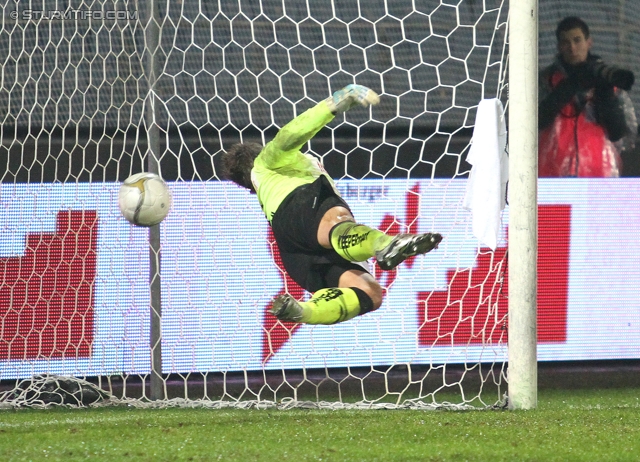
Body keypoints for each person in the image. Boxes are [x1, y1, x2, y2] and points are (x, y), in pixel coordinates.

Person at [220, 85, 442, 325]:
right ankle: (385, 244)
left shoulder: (264, 191)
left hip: (294, 252)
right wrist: (334, 103)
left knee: (369, 292)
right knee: (336, 222)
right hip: (301, 209)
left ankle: (304, 311)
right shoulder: (266, 163)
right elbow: (287, 137)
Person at [538, 16, 636, 178]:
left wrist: (605, 93)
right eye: (566, 43)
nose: (573, 48)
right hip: (552, 174)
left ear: (589, 42)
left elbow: (620, 134)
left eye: (577, 40)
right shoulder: (546, 80)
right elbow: (536, 121)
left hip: (597, 171)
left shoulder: (605, 78)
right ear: (559, 47)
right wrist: (570, 85)